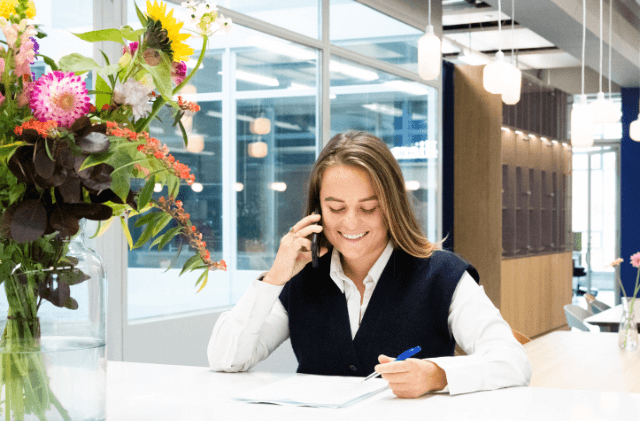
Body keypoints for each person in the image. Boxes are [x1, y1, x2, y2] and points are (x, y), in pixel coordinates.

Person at [208, 130, 532, 398]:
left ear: (391, 205)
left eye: (368, 208)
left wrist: (436, 375)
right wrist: (274, 278)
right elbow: (226, 360)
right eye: (336, 208)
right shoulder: (301, 277)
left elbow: (513, 361)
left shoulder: (443, 275)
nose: (351, 223)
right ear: (317, 209)